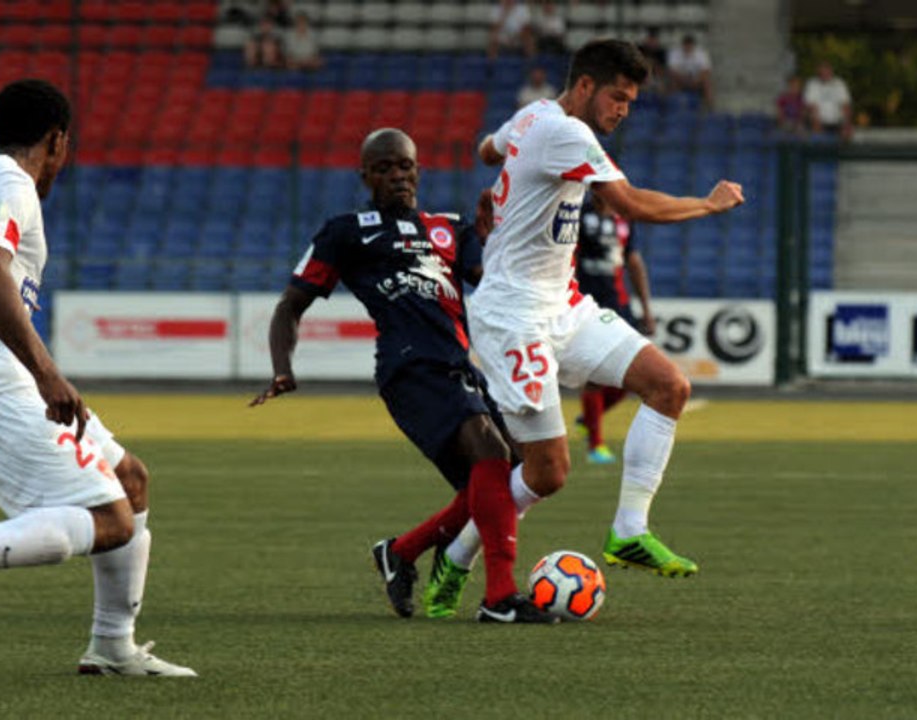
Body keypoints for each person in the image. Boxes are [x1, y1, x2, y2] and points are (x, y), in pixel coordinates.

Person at [0, 79, 195, 676]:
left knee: (129, 479)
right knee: (110, 520)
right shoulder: (13, 183)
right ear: (58, 140)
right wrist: (46, 373)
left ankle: (112, 647)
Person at [464, 39, 743, 584]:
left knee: (670, 387)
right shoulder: (565, 131)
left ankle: (630, 530)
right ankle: (452, 558)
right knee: (546, 474)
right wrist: (709, 205)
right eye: (617, 97)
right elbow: (630, 203)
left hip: (563, 304)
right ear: (586, 87)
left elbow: (485, 150)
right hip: (513, 315)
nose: (623, 110)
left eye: (631, 102)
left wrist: (496, 186)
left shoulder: (532, 115)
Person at [251, 129, 557, 624]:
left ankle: (402, 552)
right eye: (385, 168)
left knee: (509, 473)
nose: (398, 176)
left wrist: (511, 235)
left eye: (406, 166)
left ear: (419, 169)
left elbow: (495, 280)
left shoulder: (450, 228)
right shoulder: (347, 231)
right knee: (490, 453)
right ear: (366, 176)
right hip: (409, 366)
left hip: (461, 366)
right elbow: (291, 304)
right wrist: (282, 369)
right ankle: (500, 598)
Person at [573, 194, 655, 464]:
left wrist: (646, 308)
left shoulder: (625, 217)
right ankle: (596, 446)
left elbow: (633, 261)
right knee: (595, 376)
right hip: (587, 304)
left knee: (632, 377)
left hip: (619, 304)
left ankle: (589, 419)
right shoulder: (580, 214)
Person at [803, 61, 853, 141]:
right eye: (822, 72)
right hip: (818, 122)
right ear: (818, 72)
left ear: (831, 71)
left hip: (837, 122)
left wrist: (847, 124)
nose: (825, 74)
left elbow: (845, 105)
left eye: (827, 71)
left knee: (845, 137)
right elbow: (811, 106)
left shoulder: (840, 83)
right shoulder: (812, 84)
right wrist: (816, 121)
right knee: (818, 141)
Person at [666, 34, 713, 109]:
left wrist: (696, 80)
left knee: (707, 82)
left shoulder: (701, 54)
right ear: (683, 45)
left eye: (689, 45)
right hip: (681, 80)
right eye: (686, 45)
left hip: (696, 80)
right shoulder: (675, 53)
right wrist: (684, 80)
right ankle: (671, 108)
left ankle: (709, 108)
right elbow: (672, 71)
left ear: (693, 45)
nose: (687, 47)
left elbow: (706, 71)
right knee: (671, 82)